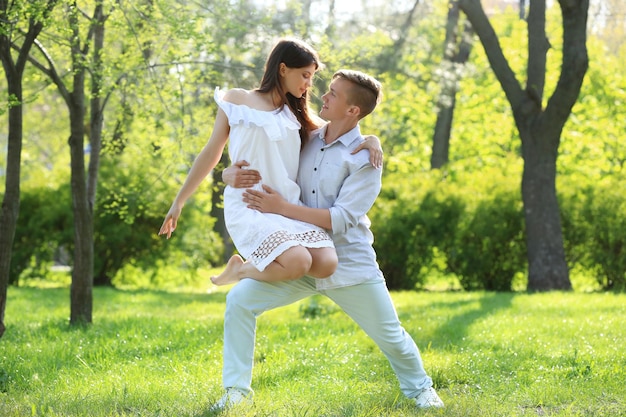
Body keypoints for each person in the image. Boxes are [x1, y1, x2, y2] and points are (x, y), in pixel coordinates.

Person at [213, 69, 444, 411]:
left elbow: (340, 219)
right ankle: (236, 391)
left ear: (353, 111)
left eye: (333, 94)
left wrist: (283, 207)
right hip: (302, 257)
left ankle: (421, 389)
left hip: (349, 262)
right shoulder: (305, 136)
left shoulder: (366, 158)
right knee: (240, 303)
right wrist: (227, 174)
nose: (323, 95)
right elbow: (258, 151)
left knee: (391, 335)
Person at [159, 38, 380, 286]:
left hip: (285, 203)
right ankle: (240, 272)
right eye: (305, 75)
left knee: (327, 263)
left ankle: (244, 270)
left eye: (312, 77)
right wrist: (181, 200)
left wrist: (372, 140)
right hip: (251, 204)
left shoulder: (298, 115)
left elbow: (340, 132)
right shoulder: (236, 100)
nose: (310, 85)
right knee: (298, 262)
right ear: (283, 69)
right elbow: (211, 151)